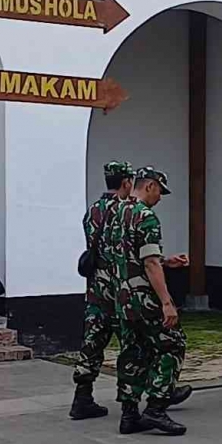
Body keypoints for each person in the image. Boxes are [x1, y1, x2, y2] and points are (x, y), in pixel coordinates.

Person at [112, 167, 191, 436]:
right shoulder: (146, 217)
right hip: (145, 299)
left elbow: (132, 256)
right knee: (173, 344)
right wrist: (167, 302)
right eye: (160, 191)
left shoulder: (117, 213)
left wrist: (165, 260)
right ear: (150, 186)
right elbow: (149, 262)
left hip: (122, 298)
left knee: (133, 352)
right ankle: (157, 407)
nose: (160, 197)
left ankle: (129, 414)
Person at [70, 161, 135, 420]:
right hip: (121, 289)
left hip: (96, 289)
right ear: (127, 182)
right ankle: (140, 397)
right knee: (133, 344)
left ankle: (82, 397)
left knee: (92, 343)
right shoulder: (127, 210)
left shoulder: (93, 210)